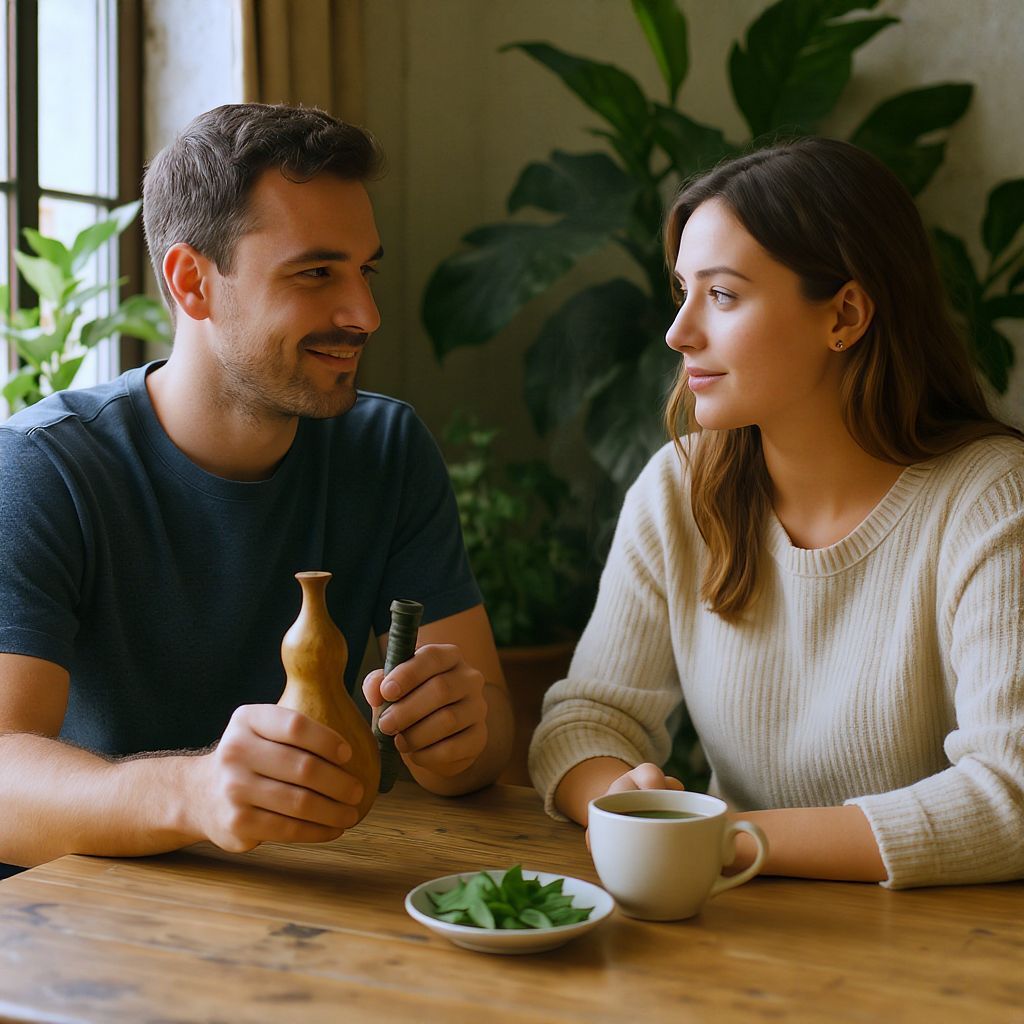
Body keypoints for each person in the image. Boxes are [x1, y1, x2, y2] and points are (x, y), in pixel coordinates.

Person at [0, 103, 512, 876]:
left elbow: (487, 740)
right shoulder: (45, 468)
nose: (365, 314)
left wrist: (457, 740)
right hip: (86, 933)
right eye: (316, 273)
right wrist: (196, 791)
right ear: (191, 281)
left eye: (365, 271)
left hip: (317, 905)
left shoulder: (387, 448)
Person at [529, 137, 1024, 890]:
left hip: (950, 956)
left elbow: (1009, 796)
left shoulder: (992, 500)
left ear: (846, 314)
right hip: (738, 932)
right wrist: (620, 804)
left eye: (722, 296)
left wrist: (719, 839)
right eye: (681, 291)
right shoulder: (678, 489)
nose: (678, 332)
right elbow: (583, 722)